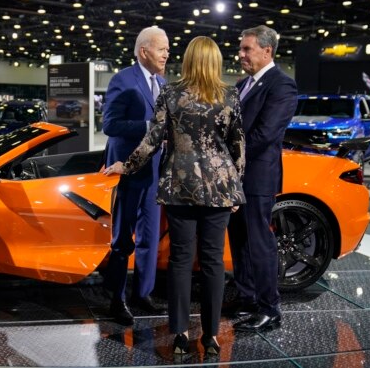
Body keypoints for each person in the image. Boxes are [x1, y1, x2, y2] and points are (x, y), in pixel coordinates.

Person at [104, 36, 245, 355]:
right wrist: (237, 188)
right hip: (220, 189)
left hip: (180, 187)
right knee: (211, 262)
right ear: (216, 61)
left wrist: (126, 166)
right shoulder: (229, 94)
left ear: (190, 60)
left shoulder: (171, 92)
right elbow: (238, 145)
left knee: (181, 260)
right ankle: (210, 336)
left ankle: (180, 333)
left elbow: (152, 140)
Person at [224, 25, 298, 332]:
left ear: (267, 51)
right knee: (239, 242)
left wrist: (227, 157)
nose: (240, 54)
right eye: (241, 48)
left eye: (246, 49)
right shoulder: (243, 84)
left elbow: (265, 135)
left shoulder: (282, 85)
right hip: (236, 178)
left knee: (260, 243)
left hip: (257, 178)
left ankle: (270, 308)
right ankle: (248, 299)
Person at [101, 26, 169, 326]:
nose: (167, 53)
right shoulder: (122, 80)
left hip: (154, 172)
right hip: (126, 171)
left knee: (150, 236)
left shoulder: (164, 83)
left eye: (167, 49)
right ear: (144, 51)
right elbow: (110, 125)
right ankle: (117, 299)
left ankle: (143, 292)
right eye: (162, 48)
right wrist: (149, 127)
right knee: (122, 238)